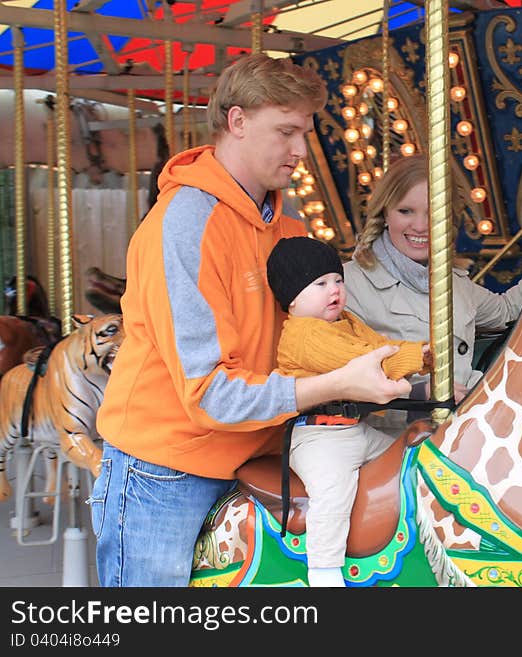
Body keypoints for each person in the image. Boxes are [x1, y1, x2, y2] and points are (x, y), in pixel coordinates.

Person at [91, 53, 412, 587]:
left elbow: (316, 339)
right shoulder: (184, 226)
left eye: (304, 133)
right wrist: (333, 385)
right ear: (236, 122)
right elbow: (211, 392)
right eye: (285, 131)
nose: (299, 151)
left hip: (263, 456)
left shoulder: (287, 227)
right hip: (167, 467)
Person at [266, 236, 431, 586]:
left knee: (406, 459)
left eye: (338, 280)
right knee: (333, 490)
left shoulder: (348, 321)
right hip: (317, 437)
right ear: (292, 298)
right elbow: (365, 363)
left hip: (352, 429)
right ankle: (324, 571)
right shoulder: (305, 335)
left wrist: (421, 352)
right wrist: (420, 357)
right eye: (320, 284)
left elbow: (381, 348)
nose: (334, 290)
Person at [343, 153, 522, 438]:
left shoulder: (453, 283)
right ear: (385, 213)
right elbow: (339, 376)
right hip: (393, 440)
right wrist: (419, 393)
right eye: (406, 211)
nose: (420, 226)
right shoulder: (350, 284)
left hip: (463, 429)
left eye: (434, 213)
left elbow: (505, 310)